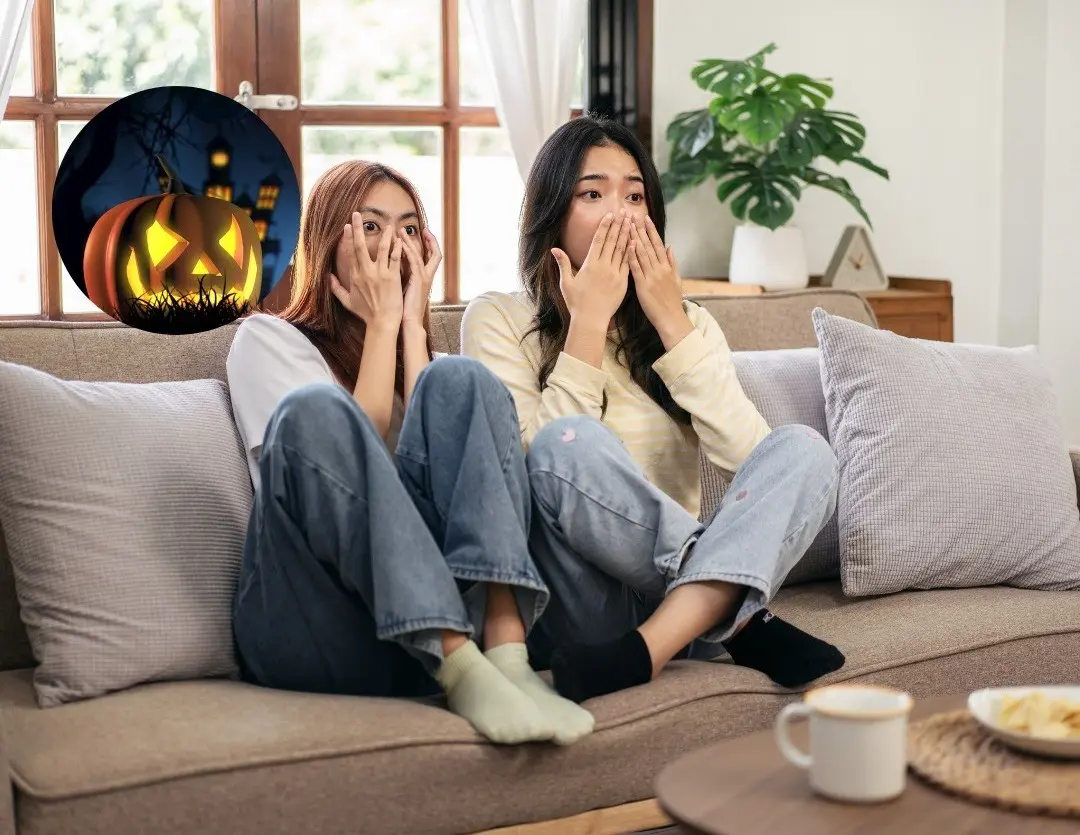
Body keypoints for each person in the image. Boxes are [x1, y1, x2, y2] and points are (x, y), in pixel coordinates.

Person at [461, 116, 846, 705]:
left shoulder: (690, 324)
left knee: (804, 450)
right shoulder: (497, 319)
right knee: (568, 441)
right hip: (575, 601)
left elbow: (754, 463)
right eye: (593, 193)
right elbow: (528, 476)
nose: (621, 214)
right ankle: (737, 619)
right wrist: (587, 323)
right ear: (552, 216)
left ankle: (650, 648)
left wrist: (671, 321)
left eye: (635, 195)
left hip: (670, 613)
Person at [225, 160, 594, 745]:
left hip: (404, 651)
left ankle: (506, 659)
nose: (391, 246)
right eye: (369, 227)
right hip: (313, 625)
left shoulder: (433, 368)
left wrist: (412, 335)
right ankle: (459, 665)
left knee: (464, 381)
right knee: (317, 413)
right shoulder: (268, 340)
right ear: (326, 241)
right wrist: (382, 325)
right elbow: (350, 458)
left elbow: (439, 470)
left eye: (408, 229)